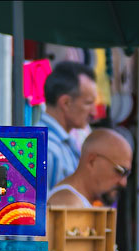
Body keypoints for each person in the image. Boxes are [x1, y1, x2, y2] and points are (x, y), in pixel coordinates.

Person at [40, 62, 98, 192]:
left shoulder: (61, 143)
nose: (94, 112)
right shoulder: (48, 149)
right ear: (65, 103)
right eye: (88, 103)